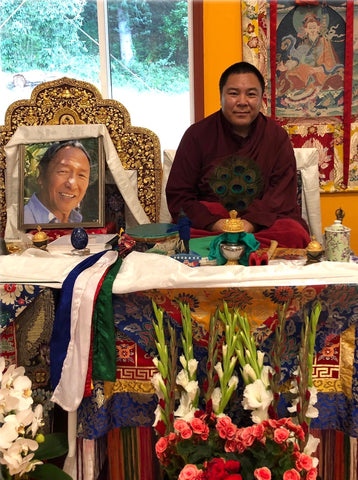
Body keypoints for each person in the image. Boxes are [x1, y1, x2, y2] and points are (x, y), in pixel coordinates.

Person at [165, 61, 311, 248]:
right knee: (180, 235)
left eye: (251, 94)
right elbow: (179, 195)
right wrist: (216, 224)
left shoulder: (276, 137)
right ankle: (243, 248)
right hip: (212, 224)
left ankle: (226, 247)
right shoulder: (196, 135)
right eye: (233, 93)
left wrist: (249, 224)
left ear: (261, 98)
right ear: (221, 96)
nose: (242, 102)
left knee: (293, 233)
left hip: (261, 224)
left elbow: (281, 195)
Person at [24, 140, 91, 224]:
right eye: (63, 171)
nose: (72, 184)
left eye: (81, 175)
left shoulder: (78, 222)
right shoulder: (23, 221)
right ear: (41, 175)